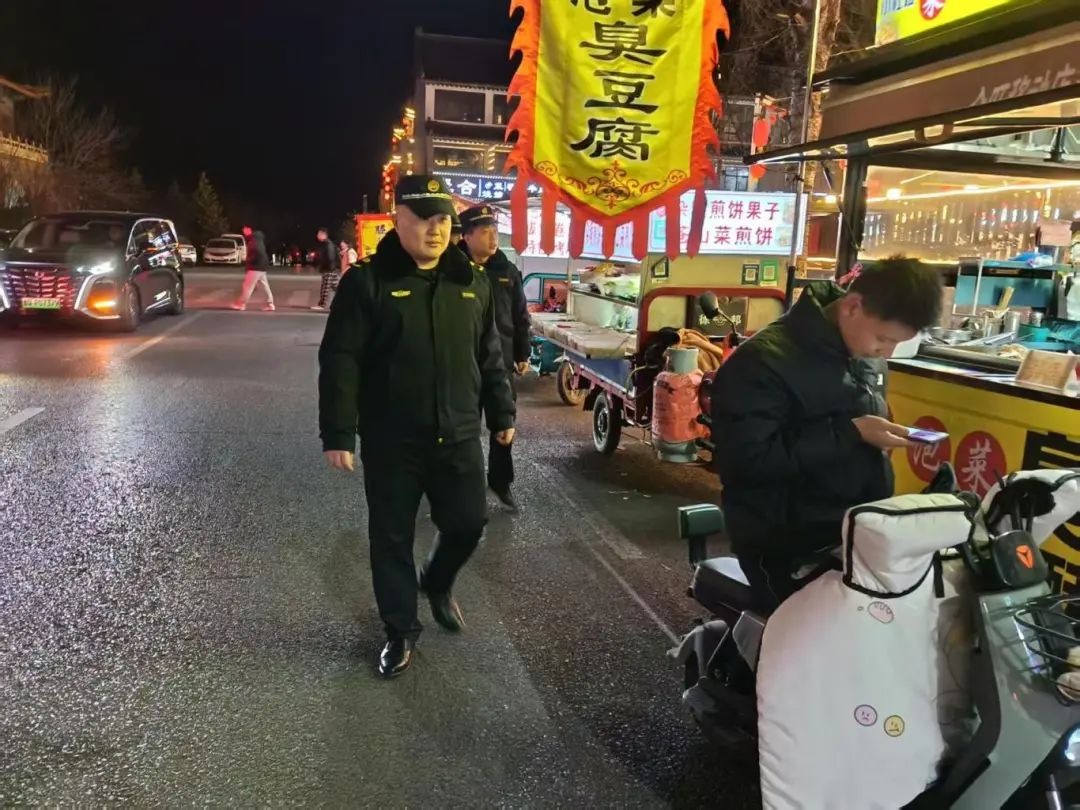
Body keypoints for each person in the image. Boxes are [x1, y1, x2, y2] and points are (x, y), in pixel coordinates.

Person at [318, 175, 516, 679]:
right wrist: (338, 433)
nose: (435, 229)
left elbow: (489, 355)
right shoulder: (367, 282)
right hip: (393, 440)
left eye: (443, 220)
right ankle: (401, 630)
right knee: (391, 538)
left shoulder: (470, 282)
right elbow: (341, 360)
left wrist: (502, 413)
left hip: (459, 434)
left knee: (469, 523)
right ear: (398, 219)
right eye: (423, 218)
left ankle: (437, 579)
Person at [711, 256, 943, 611]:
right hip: (785, 546)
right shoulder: (761, 361)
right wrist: (852, 433)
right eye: (883, 339)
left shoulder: (863, 350)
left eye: (898, 343)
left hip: (855, 533)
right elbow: (746, 463)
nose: (886, 352)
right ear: (852, 307)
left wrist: (876, 438)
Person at [458, 205, 531, 511]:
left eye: (495, 231)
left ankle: (501, 482)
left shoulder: (506, 270)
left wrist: (523, 352)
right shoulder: (452, 270)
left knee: (504, 423)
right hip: (462, 364)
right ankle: (461, 488)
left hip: (500, 360)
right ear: (466, 236)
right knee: (462, 429)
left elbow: (520, 314)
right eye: (485, 232)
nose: (493, 238)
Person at [232, 226, 275, 311]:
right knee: (264, 286)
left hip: (255, 267)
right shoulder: (258, 239)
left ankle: (241, 304)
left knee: (247, 286)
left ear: (250, 230)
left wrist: (249, 261)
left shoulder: (253, 240)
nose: (244, 231)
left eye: (246, 229)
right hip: (261, 266)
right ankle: (269, 304)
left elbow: (257, 252)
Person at [312, 227, 339, 311]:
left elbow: (330, 257)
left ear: (323, 234)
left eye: (318, 234)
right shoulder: (327, 244)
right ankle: (346, 302)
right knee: (337, 288)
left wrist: (328, 268)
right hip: (331, 269)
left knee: (325, 288)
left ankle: (321, 305)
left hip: (329, 270)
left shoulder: (328, 244)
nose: (317, 236)